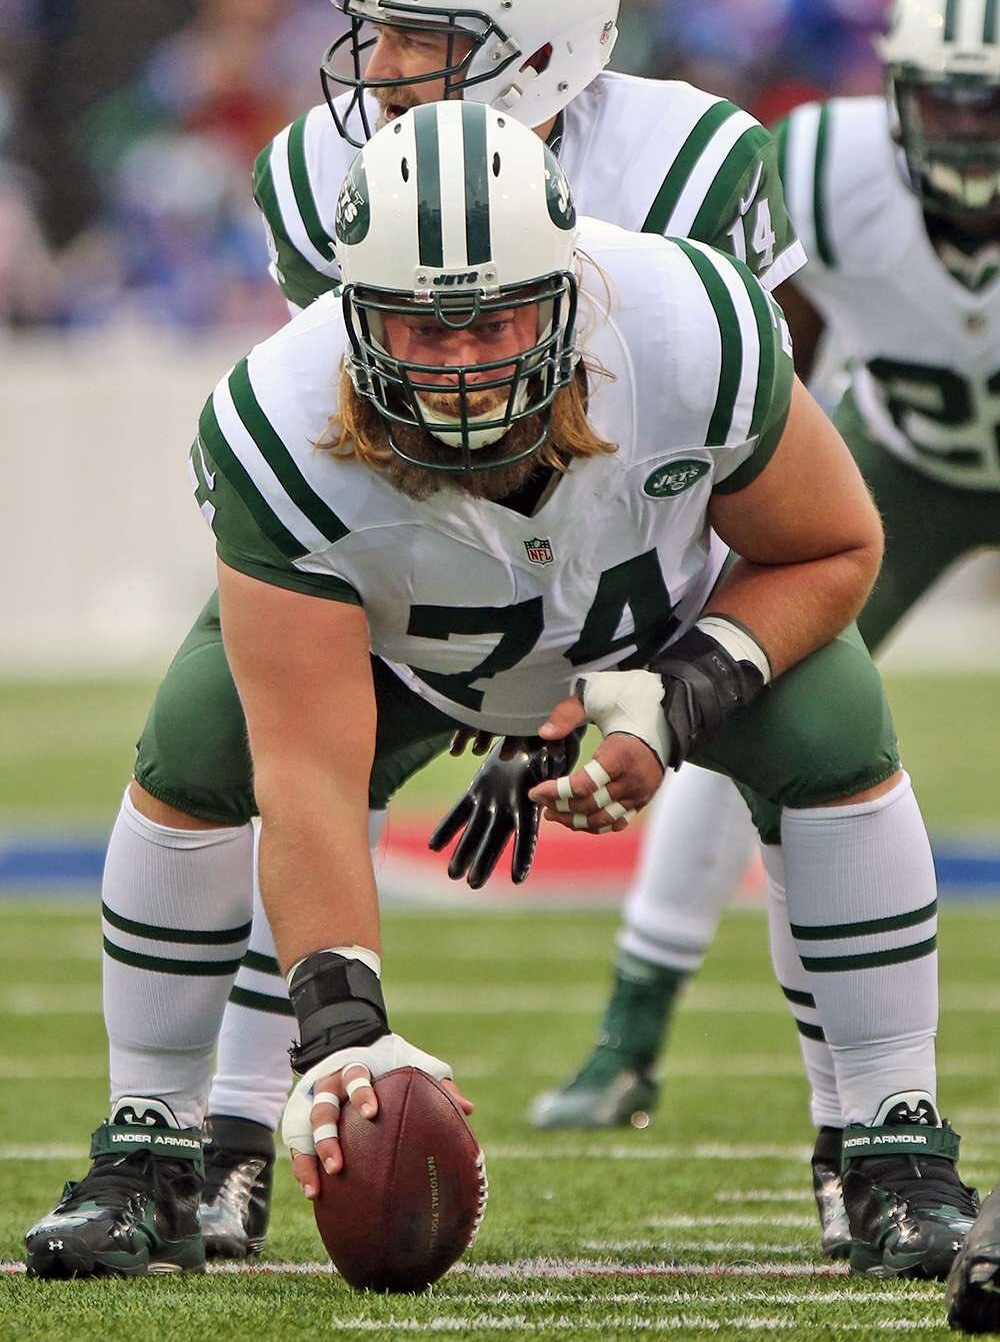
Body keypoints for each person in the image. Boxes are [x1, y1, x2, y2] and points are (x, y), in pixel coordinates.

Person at [25, 103, 977, 1284]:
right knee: (200, 737)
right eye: (422, 330)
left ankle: (889, 1146)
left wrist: (677, 697)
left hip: (663, 629)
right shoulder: (278, 421)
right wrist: (341, 1033)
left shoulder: (688, 324)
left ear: (572, 288)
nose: (466, 359)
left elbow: (833, 547)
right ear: (350, 311)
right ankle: (155, 1151)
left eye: (500, 315)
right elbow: (310, 773)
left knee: (832, 721)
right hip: (401, 656)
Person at [116, 0, 808, 1259]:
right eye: (369, 30)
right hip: (410, 559)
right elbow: (358, 423)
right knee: (228, 749)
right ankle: (204, 1141)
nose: (374, 67)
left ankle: (882, 1132)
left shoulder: (684, 172)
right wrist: (474, 653)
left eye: (418, 37)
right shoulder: (321, 179)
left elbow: (773, 453)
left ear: (543, 45)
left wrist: (617, 670)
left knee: (833, 719)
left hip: (647, 555)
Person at [527, 0, 1000, 1263]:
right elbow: (750, 351)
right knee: (742, 699)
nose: (968, 131)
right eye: (948, 97)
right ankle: (632, 1030)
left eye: (993, 102)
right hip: (890, 473)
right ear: (894, 91)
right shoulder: (819, 170)